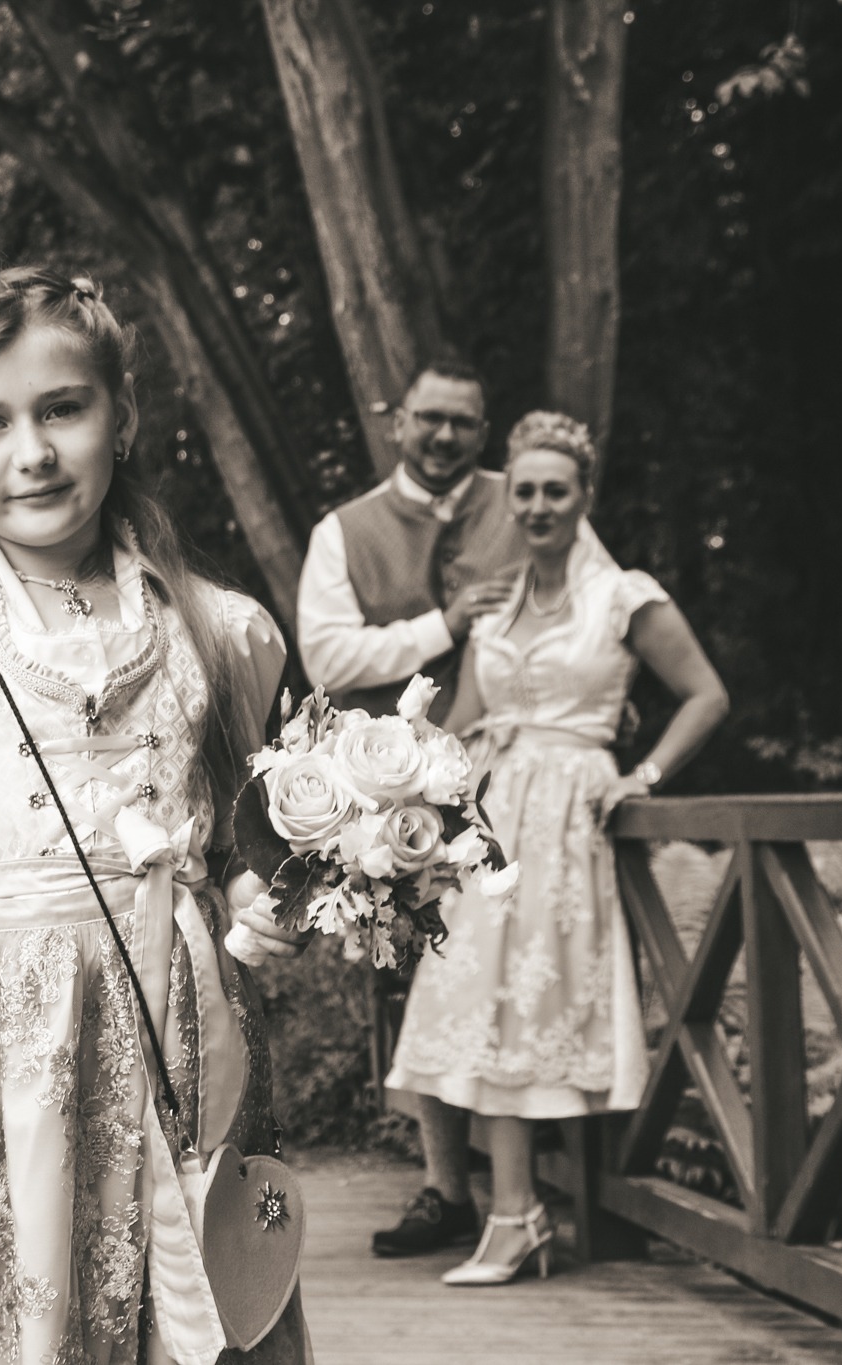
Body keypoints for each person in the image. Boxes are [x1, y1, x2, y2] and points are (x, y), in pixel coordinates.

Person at [0, 265, 310, 1364]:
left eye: (61, 409)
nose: (30, 451)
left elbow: (235, 843)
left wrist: (261, 898)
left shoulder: (216, 629)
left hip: (179, 1040)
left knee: (188, 1316)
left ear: (119, 418)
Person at [385, 411, 730, 1286]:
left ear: (585, 497)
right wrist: (384, 782)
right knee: (477, 998)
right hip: (493, 817)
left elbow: (706, 695)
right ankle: (516, 1212)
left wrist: (643, 773)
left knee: (527, 1003)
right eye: (526, 491)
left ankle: (518, 1217)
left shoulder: (624, 596)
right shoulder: (499, 604)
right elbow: (465, 720)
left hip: (570, 815)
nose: (538, 506)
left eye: (556, 491)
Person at [294, 357, 520, 1258]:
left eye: (463, 421)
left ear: (483, 429)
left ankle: (527, 1180)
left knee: (523, 968)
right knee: (430, 970)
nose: (444, 435)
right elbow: (327, 658)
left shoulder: (528, 502)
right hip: (404, 798)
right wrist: (444, 626)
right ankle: (448, 1185)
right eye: (430, 417)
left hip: (524, 776)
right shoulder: (343, 531)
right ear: (400, 422)